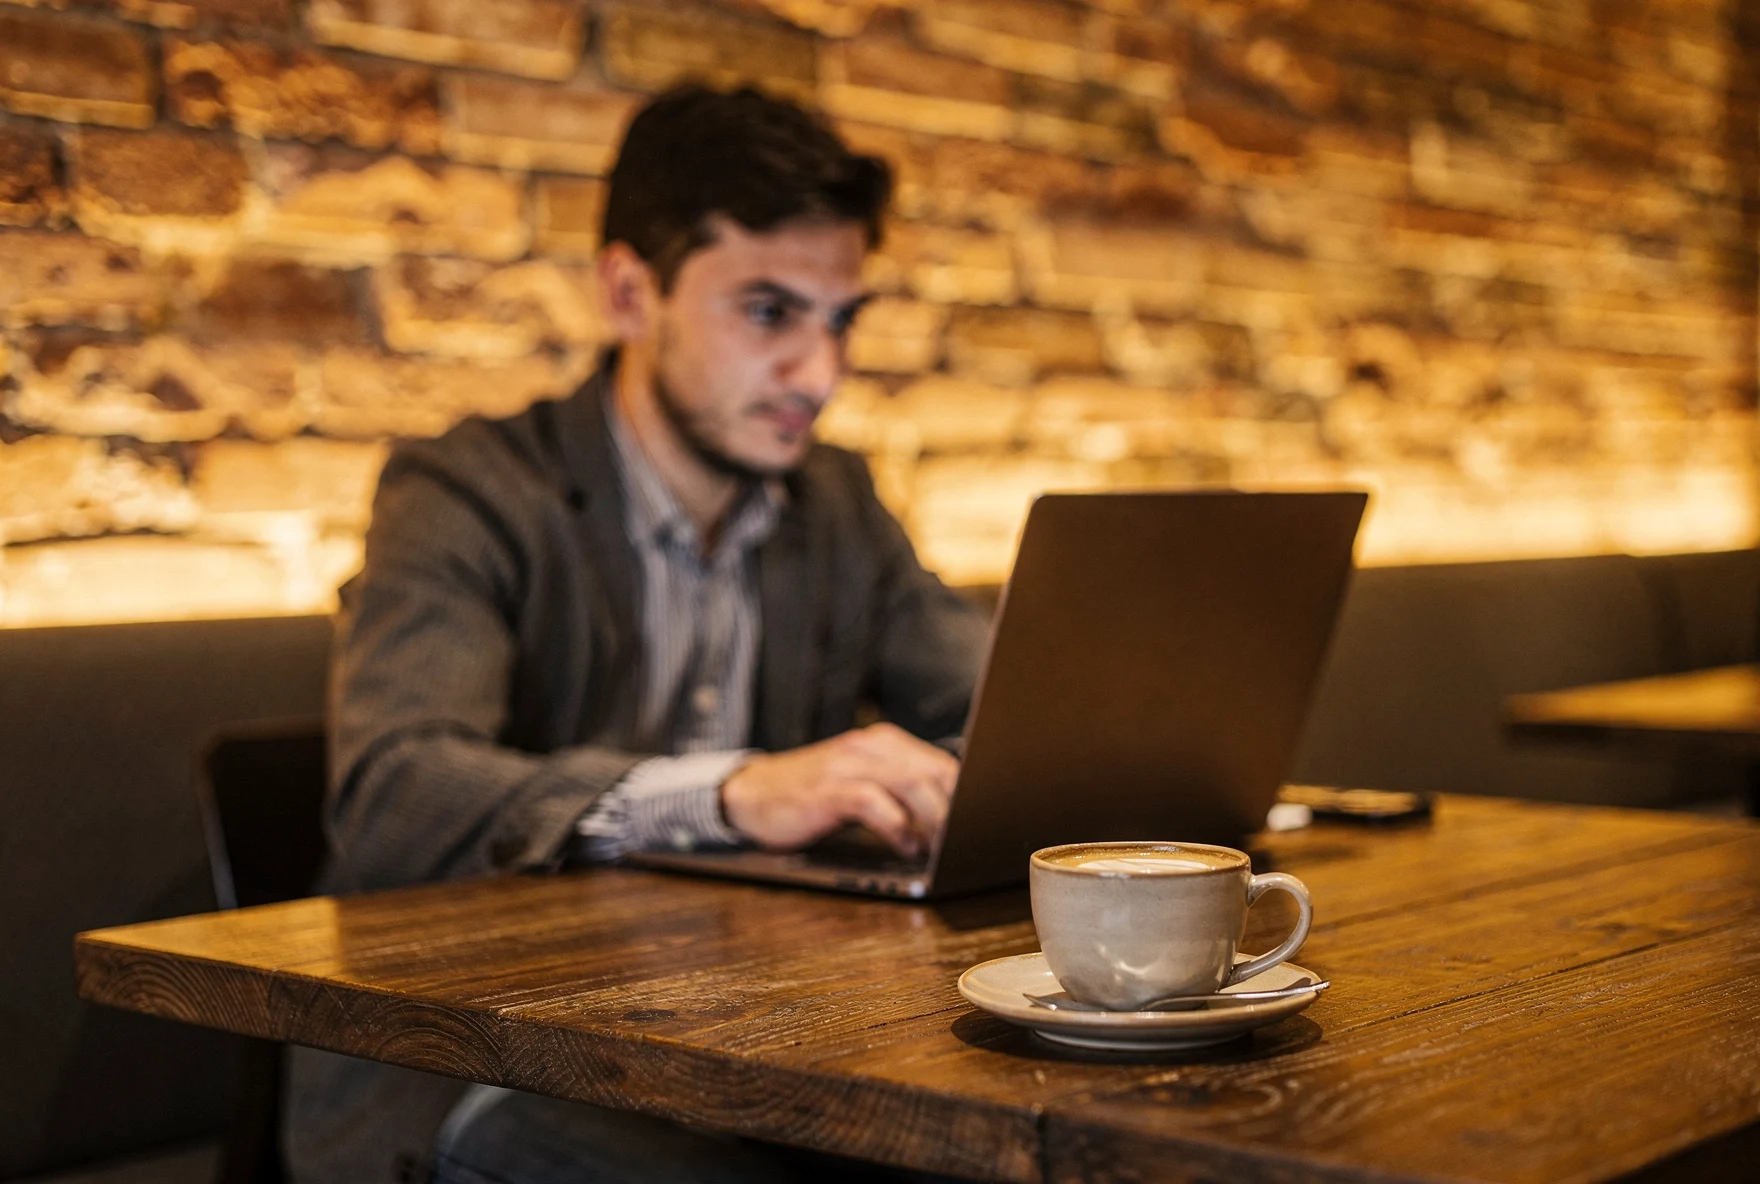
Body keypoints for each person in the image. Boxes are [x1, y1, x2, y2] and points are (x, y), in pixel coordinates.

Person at [283, 85, 990, 1183]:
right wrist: (732, 791)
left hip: (751, 1046)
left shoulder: (835, 503)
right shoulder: (468, 490)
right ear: (628, 291)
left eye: (838, 319)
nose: (820, 373)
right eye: (768, 312)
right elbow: (394, 789)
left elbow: (994, 711)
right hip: (482, 1063)